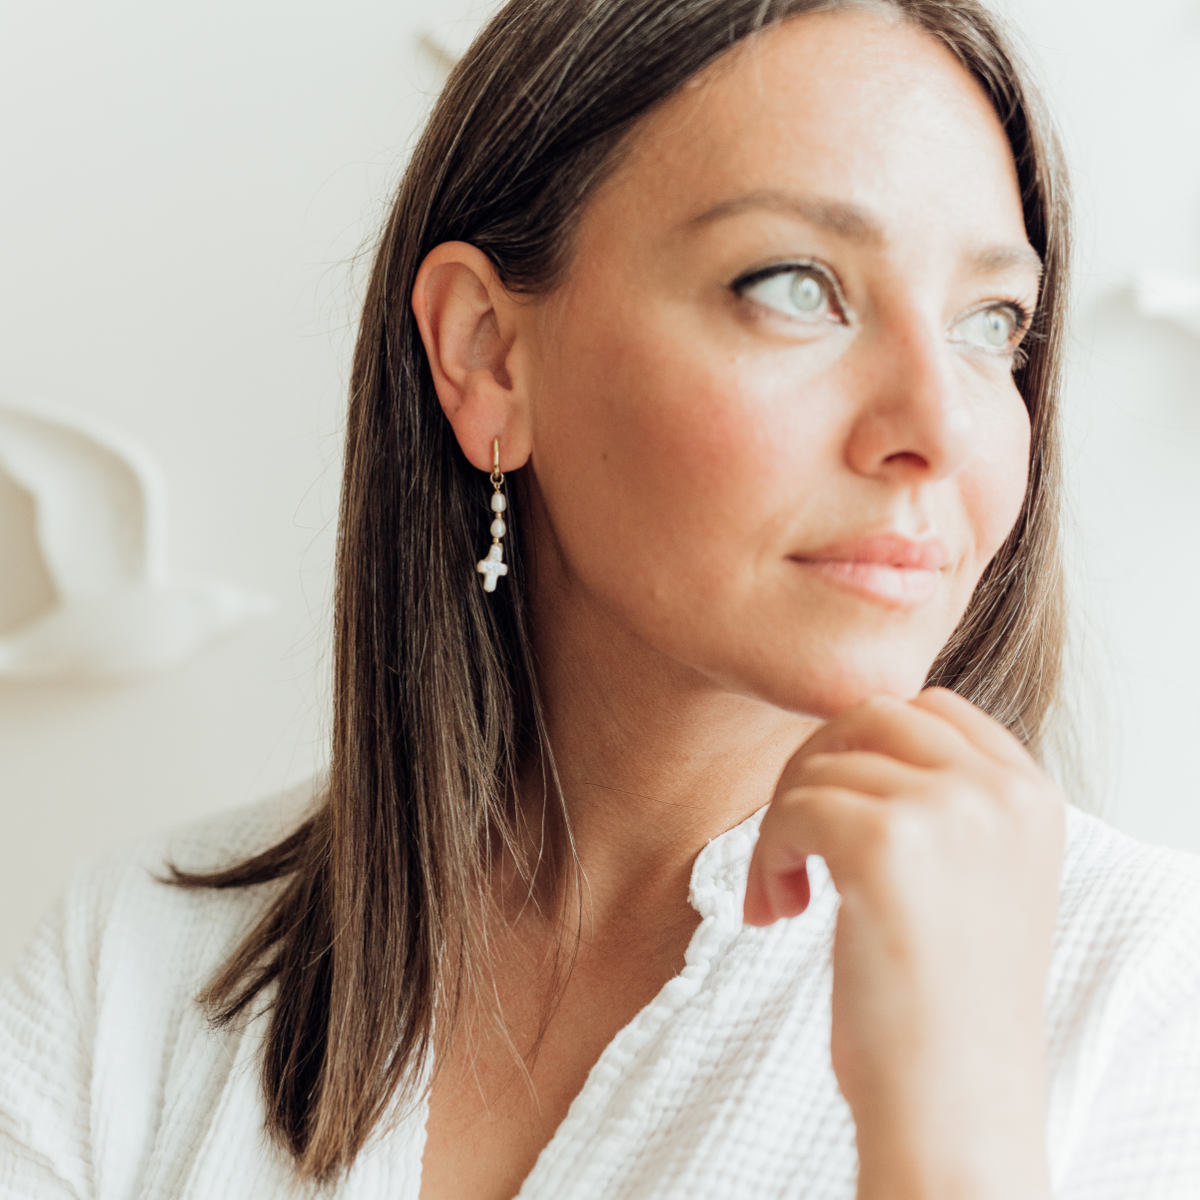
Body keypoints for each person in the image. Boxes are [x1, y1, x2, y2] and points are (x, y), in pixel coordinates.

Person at [3, 0, 1199, 1196]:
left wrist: (959, 1130)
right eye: (796, 287)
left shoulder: (1146, 997)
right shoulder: (133, 968)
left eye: (993, 324)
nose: (938, 428)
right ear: (488, 354)